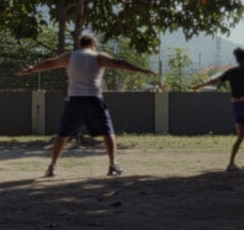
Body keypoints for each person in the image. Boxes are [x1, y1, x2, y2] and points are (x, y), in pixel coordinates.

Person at [17, 34, 154, 177]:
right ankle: (113, 164)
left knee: (62, 134)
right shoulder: (98, 57)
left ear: (80, 44)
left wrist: (31, 69)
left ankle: (52, 166)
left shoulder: (69, 57)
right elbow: (119, 63)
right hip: (93, 99)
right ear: (94, 44)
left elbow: (49, 63)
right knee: (108, 132)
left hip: (74, 99)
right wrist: (141, 70)